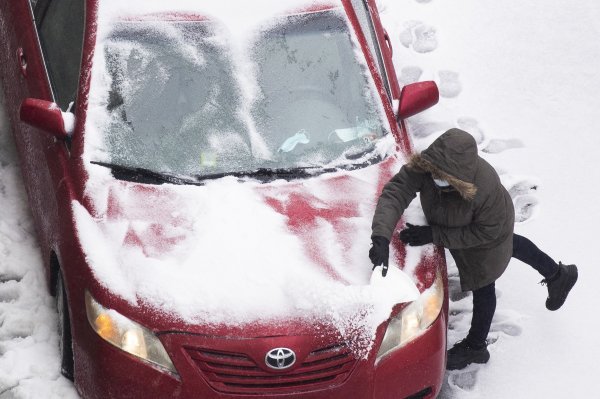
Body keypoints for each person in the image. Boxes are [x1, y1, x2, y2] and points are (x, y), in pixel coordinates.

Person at [369, 128, 578, 370]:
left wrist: (435, 234)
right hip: (474, 225)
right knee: (512, 244)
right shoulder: (431, 163)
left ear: (458, 177)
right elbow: (397, 190)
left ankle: (476, 347)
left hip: (489, 232)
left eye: (442, 176)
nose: (434, 178)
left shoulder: (483, 187)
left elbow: (485, 233)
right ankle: (558, 275)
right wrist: (381, 236)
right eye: (432, 172)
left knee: (483, 280)